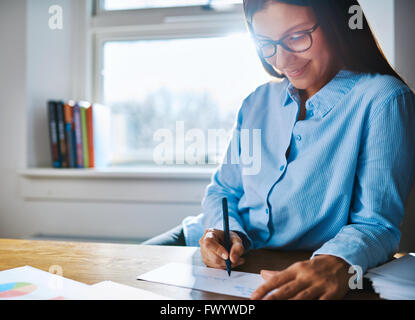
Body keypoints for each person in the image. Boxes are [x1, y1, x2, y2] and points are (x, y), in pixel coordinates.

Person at [143, 0, 415, 300]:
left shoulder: (383, 100)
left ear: (338, 24)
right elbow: (224, 190)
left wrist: (335, 262)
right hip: (198, 242)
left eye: (297, 37)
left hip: (294, 265)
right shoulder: (257, 102)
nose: (282, 60)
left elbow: (375, 224)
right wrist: (221, 230)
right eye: (266, 43)